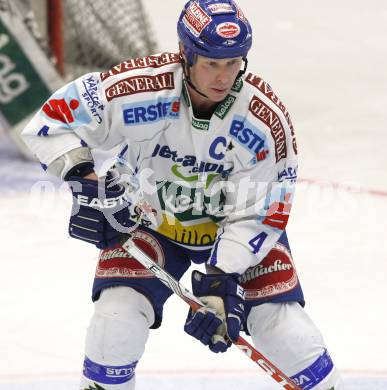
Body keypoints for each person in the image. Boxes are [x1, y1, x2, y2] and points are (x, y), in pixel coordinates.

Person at [22, 1, 342, 389]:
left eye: (233, 63)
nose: (223, 77)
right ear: (185, 55)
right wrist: (88, 183)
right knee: (115, 325)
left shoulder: (263, 119)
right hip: (149, 220)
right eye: (211, 63)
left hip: (232, 229)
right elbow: (50, 122)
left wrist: (223, 279)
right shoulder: (138, 88)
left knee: (287, 333)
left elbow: (263, 211)